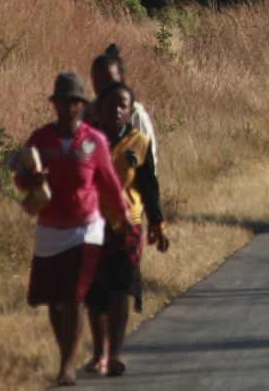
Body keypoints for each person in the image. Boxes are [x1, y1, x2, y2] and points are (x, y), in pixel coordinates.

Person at [16, 72, 131, 387]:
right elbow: (20, 179)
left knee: (76, 294)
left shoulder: (94, 142)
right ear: (54, 104)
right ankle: (67, 349)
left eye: (75, 103)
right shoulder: (40, 140)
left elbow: (109, 182)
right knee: (54, 300)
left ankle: (67, 365)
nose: (69, 108)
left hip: (86, 229)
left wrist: (123, 217)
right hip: (50, 229)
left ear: (83, 105)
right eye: (63, 102)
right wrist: (31, 180)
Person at [86, 81, 170, 377]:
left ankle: (114, 353)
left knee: (121, 287)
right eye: (111, 105)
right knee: (95, 292)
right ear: (100, 108)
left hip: (128, 223)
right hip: (93, 222)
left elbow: (149, 186)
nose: (117, 110)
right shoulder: (88, 140)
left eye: (123, 106)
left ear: (129, 111)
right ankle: (98, 352)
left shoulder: (139, 142)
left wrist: (157, 225)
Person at [91, 45, 158, 172]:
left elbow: (149, 158)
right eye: (98, 83)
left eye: (108, 81)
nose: (103, 88)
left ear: (121, 80)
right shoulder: (88, 112)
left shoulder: (135, 114)